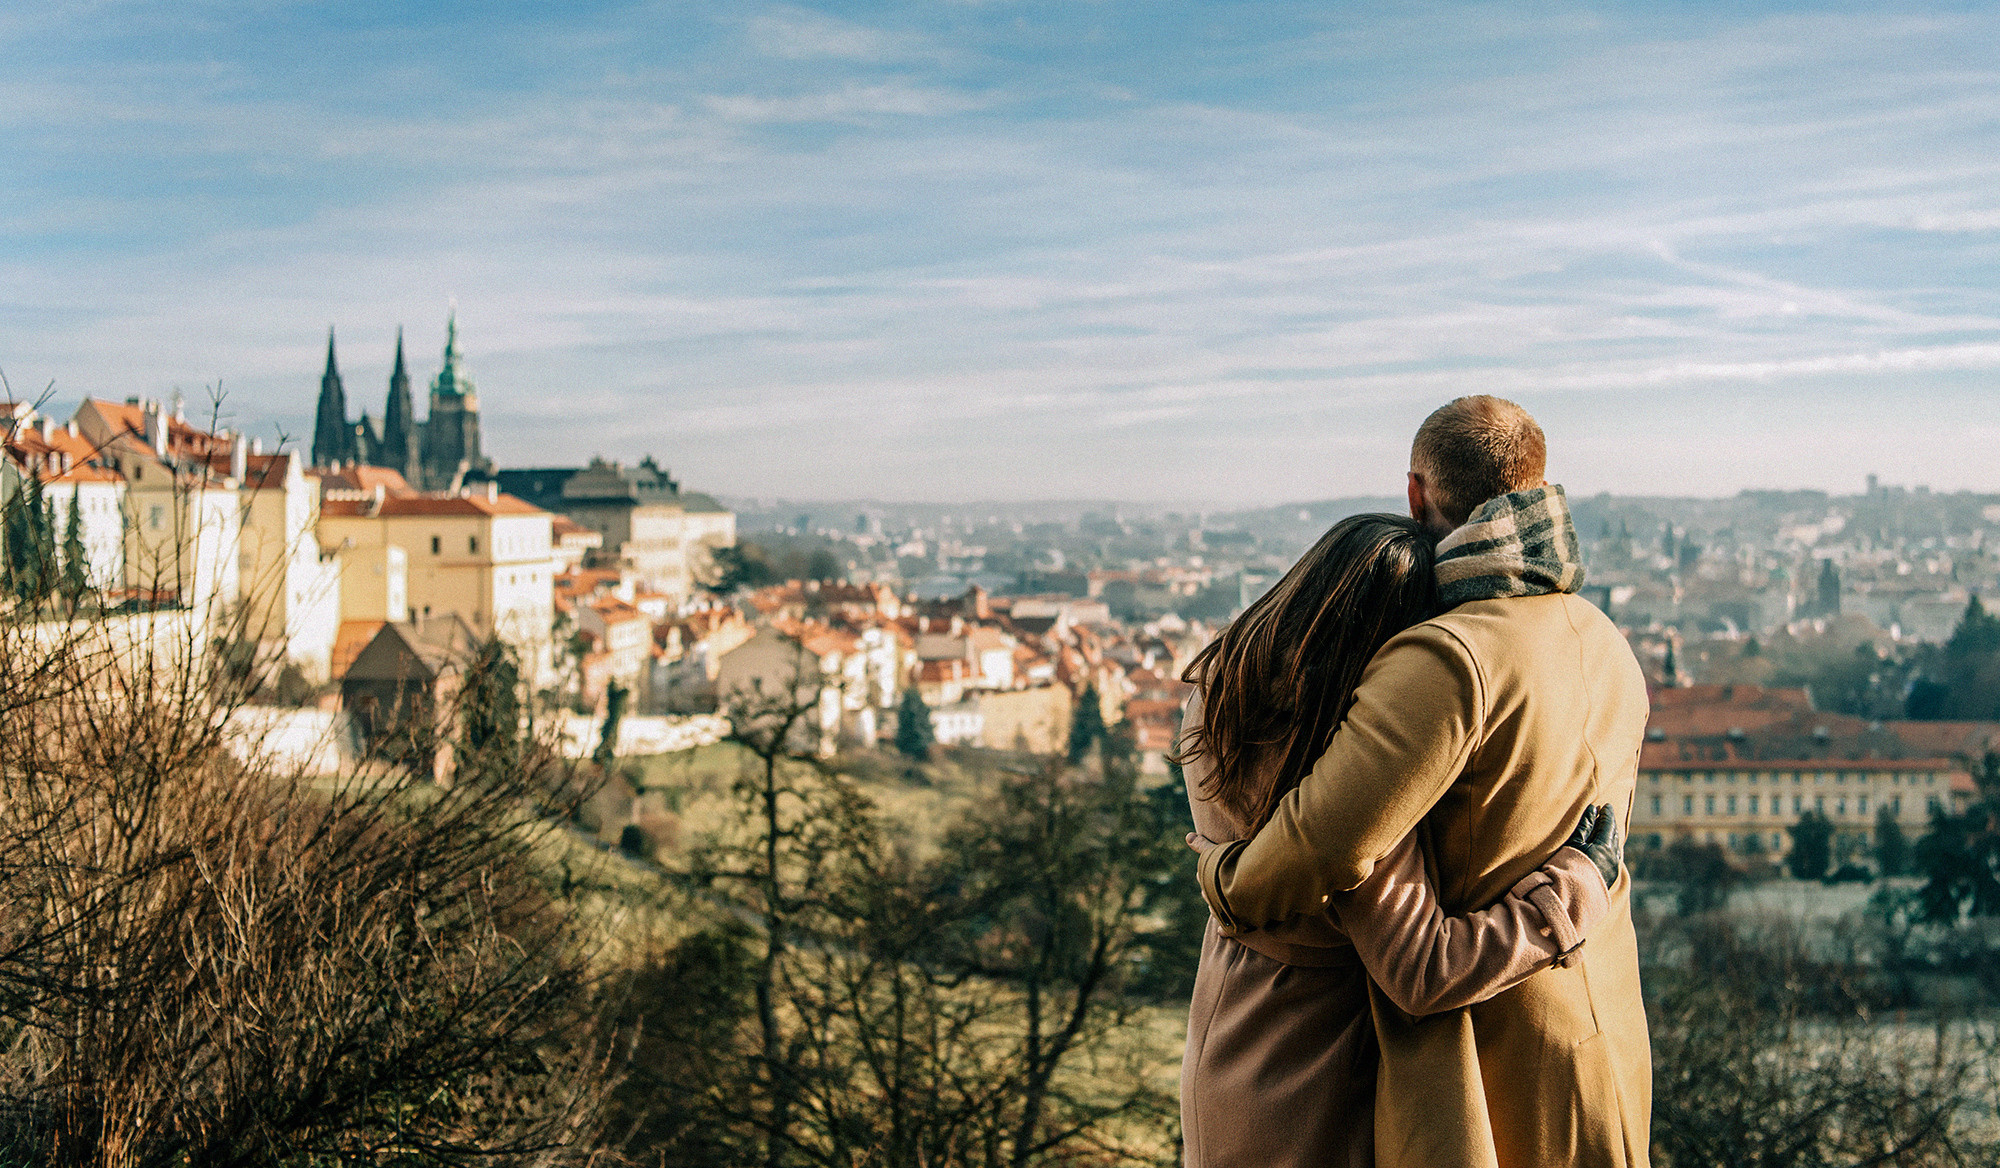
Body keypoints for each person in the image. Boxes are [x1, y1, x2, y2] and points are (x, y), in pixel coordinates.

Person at [1194, 395, 1651, 1168]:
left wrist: (1223, 878)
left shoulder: (1425, 663)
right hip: (1596, 1018)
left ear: (1417, 491)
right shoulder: (1605, 640)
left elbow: (1320, 850)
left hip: (1470, 1056)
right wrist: (1583, 879)